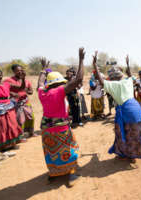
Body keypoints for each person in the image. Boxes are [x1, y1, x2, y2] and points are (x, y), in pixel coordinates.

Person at [37, 48, 84, 186]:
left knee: (51, 151)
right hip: (60, 129)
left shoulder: (42, 92)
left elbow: (40, 83)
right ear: (58, 83)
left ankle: (54, 173)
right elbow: (79, 79)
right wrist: (81, 59)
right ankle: (71, 173)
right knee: (69, 149)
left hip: (46, 128)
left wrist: (44, 70)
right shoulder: (59, 91)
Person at [93, 53, 141, 165]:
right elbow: (130, 74)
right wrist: (127, 64)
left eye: (111, 78)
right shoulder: (129, 81)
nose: (110, 80)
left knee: (122, 133)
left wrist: (95, 64)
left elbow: (101, 81)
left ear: (114, 77)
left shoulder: (115, 84)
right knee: (134, 134)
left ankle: (123, 154)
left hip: (126, 111)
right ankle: (132, 156)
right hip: (137, 110)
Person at [0, 69, 23, 161]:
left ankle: (4, 148)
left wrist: (23, 78)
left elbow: (20, 88)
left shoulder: (6, 84)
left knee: (9, 127)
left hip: (8, 106)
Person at [4, 64, 35, 138]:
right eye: (17, 71)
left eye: (21, 70)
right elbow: (5, 90)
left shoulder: (26, 81)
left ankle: (31, 132)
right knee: (20, 120)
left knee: (31, 118)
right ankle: (20, 135)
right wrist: (12, 93)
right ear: (13, 71)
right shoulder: (8, 80)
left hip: (26, 102)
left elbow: (31, 91)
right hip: (16, 103)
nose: (20, 72)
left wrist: (27, 91)